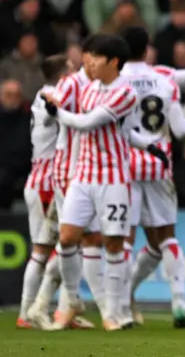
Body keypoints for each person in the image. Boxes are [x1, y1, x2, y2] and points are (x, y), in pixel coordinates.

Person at [41, 35, 141, 331]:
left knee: (112, 244)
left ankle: (112, 311)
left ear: (113, 61)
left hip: (112, 179)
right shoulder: (89, 90)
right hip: (83, 177)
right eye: (88, 55)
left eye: (96, 57)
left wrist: (57, 113)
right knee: (68, 238)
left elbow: (88, 123)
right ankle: (72, 299)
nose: (90, 62)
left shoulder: (125, 93)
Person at [27, 35, 104, 330]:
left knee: (77, 242)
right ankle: (46, 304)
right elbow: (53, 104)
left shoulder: (95, 86)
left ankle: (59, 306)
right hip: (67, 172)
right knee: (73, 239)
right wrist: (52, 107)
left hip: (84, 171)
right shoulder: (70, 84)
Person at [119, 26, 185, 329]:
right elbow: (182, 129)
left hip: (125, 166)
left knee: (124, 239)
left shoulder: (116, 82)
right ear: (147, 49)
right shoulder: (164, 81)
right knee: (166, 237)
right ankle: (179, 302)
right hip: (160, 165)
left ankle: (121, 303)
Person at [17, 54, 70, 329]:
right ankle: (27, 312)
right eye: (71, 70)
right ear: (63, 75)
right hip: (46, 183)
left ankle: (62, 308)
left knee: (66, 247)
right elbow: (55, 109)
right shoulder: (50, 95)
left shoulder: (44, 94)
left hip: (48, 180)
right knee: (43, 250)